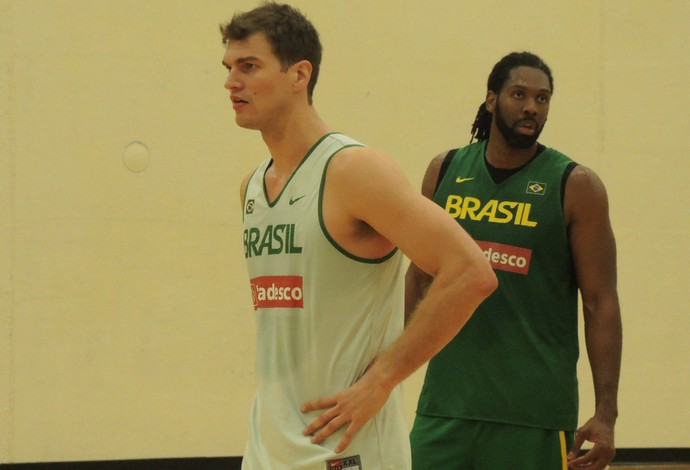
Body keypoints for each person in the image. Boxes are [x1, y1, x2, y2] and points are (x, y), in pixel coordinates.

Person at [219, 3, 497, 469]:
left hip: (349, 453)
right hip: (267, 450)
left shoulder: (353, 170)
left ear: (299, 74)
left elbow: (471, 272)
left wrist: (382, 379)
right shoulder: (252, 187)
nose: (231, 82)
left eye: (249, 66)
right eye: (228, 68)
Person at [405, 51, 622, 470]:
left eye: (542, 99)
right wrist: (388, 372)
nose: (531, 108)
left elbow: (600, 302)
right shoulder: (445, 170)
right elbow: (418, 277)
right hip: (445, 406)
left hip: (535, 414)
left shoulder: (576, 186)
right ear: (491, 100)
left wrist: (607, 413)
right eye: (519, 95)